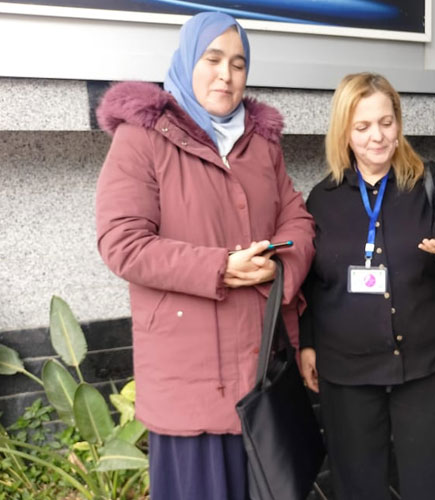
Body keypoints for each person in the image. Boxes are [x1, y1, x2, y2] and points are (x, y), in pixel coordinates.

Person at [94, 12, 315, 500]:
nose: (226, 75)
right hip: (189, 373)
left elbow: (297, 221)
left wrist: (279, 264)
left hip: (260, 369)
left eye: (238, 64)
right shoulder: (142, 138)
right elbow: (122, 242)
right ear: (187, 61)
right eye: (212, 59)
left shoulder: (261, 144)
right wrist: (221, 268)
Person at [298, 72, 435, 500]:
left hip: (425, 362)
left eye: (386, 122)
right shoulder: (323, 197)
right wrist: (307, 343)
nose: (377, 136)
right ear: (344, 132)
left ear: (398, 122)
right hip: (346, 368)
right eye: (362, 126)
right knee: (357, 485)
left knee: (430, 484)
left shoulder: (430, 180)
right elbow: (311, 281)